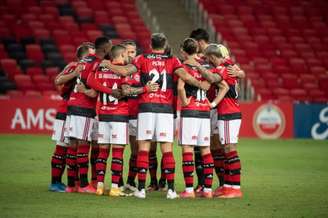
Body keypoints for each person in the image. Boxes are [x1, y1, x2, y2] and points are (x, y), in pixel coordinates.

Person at [101, 33, 210, 199]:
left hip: (146, 108)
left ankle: (141, 190)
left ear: (150, 44)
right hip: (165, 110)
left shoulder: (141, 59)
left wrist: (107, 64)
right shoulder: (173, 60)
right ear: (165, 44)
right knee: (167, 150)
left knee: (143, 148)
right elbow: (186, 76)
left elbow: (123, 71)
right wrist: (201, 84)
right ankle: (172, 190)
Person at [178, 38, 229, 198]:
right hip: (204, 112)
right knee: (205, 149)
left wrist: (185, 101)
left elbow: (180, 86)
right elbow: (224, 86)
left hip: (190, 110)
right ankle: (207, 190)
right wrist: (212, 103)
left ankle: (188, 190)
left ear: (183, 51)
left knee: (188, 148)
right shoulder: (207, 67)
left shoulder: (183, 66)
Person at [64, 37, 112, 193]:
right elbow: (92, 91)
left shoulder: (83, 61)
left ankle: (72, 185)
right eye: (110, 49)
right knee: (83, 145)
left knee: (73, 144)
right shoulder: (97, 64)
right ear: (105, 50)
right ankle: (84, 185)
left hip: (72, 106)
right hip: (84, 107)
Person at [49, 42, 95, 192]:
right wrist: (75, 73)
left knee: (73, 146)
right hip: (66, 110)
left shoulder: (92, 67)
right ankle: (56, 182)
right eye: (90, 54)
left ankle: (72, 183)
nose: (93, 57)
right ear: (82, 56)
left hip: (76, 110)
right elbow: (58, 80)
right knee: (62, 146)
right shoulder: (74, 65)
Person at [203, 44, 243, 198]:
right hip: (229, 112)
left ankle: (235, 187)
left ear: (212, 57)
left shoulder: (222, 68)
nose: (209, 61)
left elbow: (214, 79)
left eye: (208, 58)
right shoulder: (230, 65)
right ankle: (227, 186)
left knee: (229, 149)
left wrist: (198, 69)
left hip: (228, 113)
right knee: (227, 149)